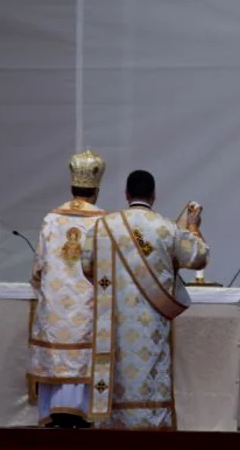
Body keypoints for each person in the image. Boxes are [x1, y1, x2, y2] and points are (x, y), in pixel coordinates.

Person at [80, 170, 209, 430]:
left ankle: (112, 425)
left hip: (113, 320)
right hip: (150, 322)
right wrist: (193, 226)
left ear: (126, 195)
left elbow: (86, 264)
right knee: (150, 370)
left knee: (117, 371)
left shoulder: (103, 226)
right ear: (154, 196)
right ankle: (150, 429)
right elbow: (198, 258)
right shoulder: (166, 228)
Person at [27, 149, 107, 428]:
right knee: (83, 352)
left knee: (58, 349)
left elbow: (38, 269)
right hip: (87, 307)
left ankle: (52, 411)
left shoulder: (52, 219)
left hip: (56, 310)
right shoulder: (102, 222)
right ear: (96, 189)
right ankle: (79, 410)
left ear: (72, 185)